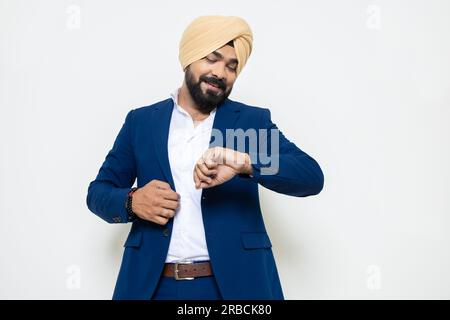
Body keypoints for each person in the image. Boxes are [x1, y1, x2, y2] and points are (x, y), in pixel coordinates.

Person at [86, 15, 324, 300]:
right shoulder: (142, 122)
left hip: (234, 287)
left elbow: (311, 176)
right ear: (189, 58)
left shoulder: (248, 123)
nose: (220, 73)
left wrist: (243, 162)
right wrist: (132, 201)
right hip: (151, 286)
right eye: (211, 59)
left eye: (231, 66)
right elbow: (98, 192)